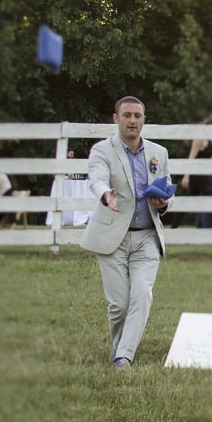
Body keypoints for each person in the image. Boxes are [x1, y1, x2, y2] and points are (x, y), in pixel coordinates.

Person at [81, 96, 173, 368]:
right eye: (127, 115)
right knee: (119, 305)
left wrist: (164, 202)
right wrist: (104, 193)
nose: (133, 120)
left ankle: (123, 356)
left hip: (147, 237)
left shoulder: (160, 152)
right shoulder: (102, 150)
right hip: (113, 237)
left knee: (142, 294)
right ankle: (120, 347)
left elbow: (166, 187)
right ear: (116, 118)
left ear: (144, 119)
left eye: (138, 116)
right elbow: (96, 177)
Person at [179, 114, 212, 229]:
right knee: (207, 201)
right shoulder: (206, 139)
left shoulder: (209, 139)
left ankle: (205, 226)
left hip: (209, 175)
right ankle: (208, 226)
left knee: (203, 201)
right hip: (207, 175)